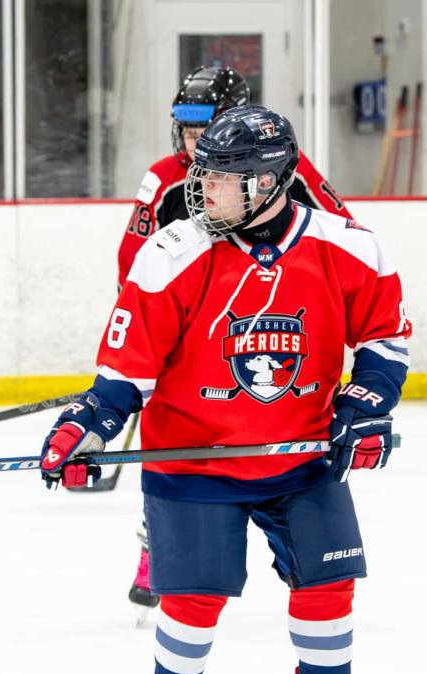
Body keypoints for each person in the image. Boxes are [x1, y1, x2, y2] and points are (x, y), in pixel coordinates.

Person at [43, 105, 411, 674]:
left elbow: (386, 342)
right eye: (202, 174)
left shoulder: (349, 247)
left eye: (222, 179)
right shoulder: (173, 253)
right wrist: (85, 426)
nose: (202, 189)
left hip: (302, 456)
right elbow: (123, 375)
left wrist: (366, 402)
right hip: (191, 457)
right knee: (194, 594)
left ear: (270, 183)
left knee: (328, 582)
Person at [117, 66, 355, 619]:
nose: (194, 140)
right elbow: (132, 263)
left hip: (263, 332)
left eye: (207, 127)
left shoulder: (287, 172)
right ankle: (160, 546)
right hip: (183, 336)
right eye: (186, 127)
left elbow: (340, 236)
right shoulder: (163, 179)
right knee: (174, 447)